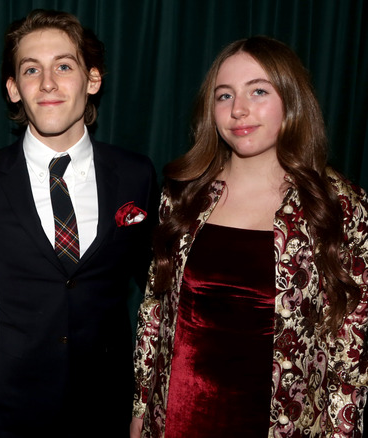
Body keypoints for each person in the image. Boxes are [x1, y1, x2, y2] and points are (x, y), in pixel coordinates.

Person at [131, 36, 368, 438]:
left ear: (292, 100)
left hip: (285, 426)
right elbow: (154, 313)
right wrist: (139, 410)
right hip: (175, 423)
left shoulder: (337, 206)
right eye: (224, 95)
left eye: (258, 91)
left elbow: (351, 345)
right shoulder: (184, 195)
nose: (238, 109)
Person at [0, 9, 158, 437]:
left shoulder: (136, 175)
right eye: (32, 70)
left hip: (104, 413)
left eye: (63, 67)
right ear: (14, 90)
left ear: (93, 80)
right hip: (1, 417)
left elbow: (155, 294)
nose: (48, 83)